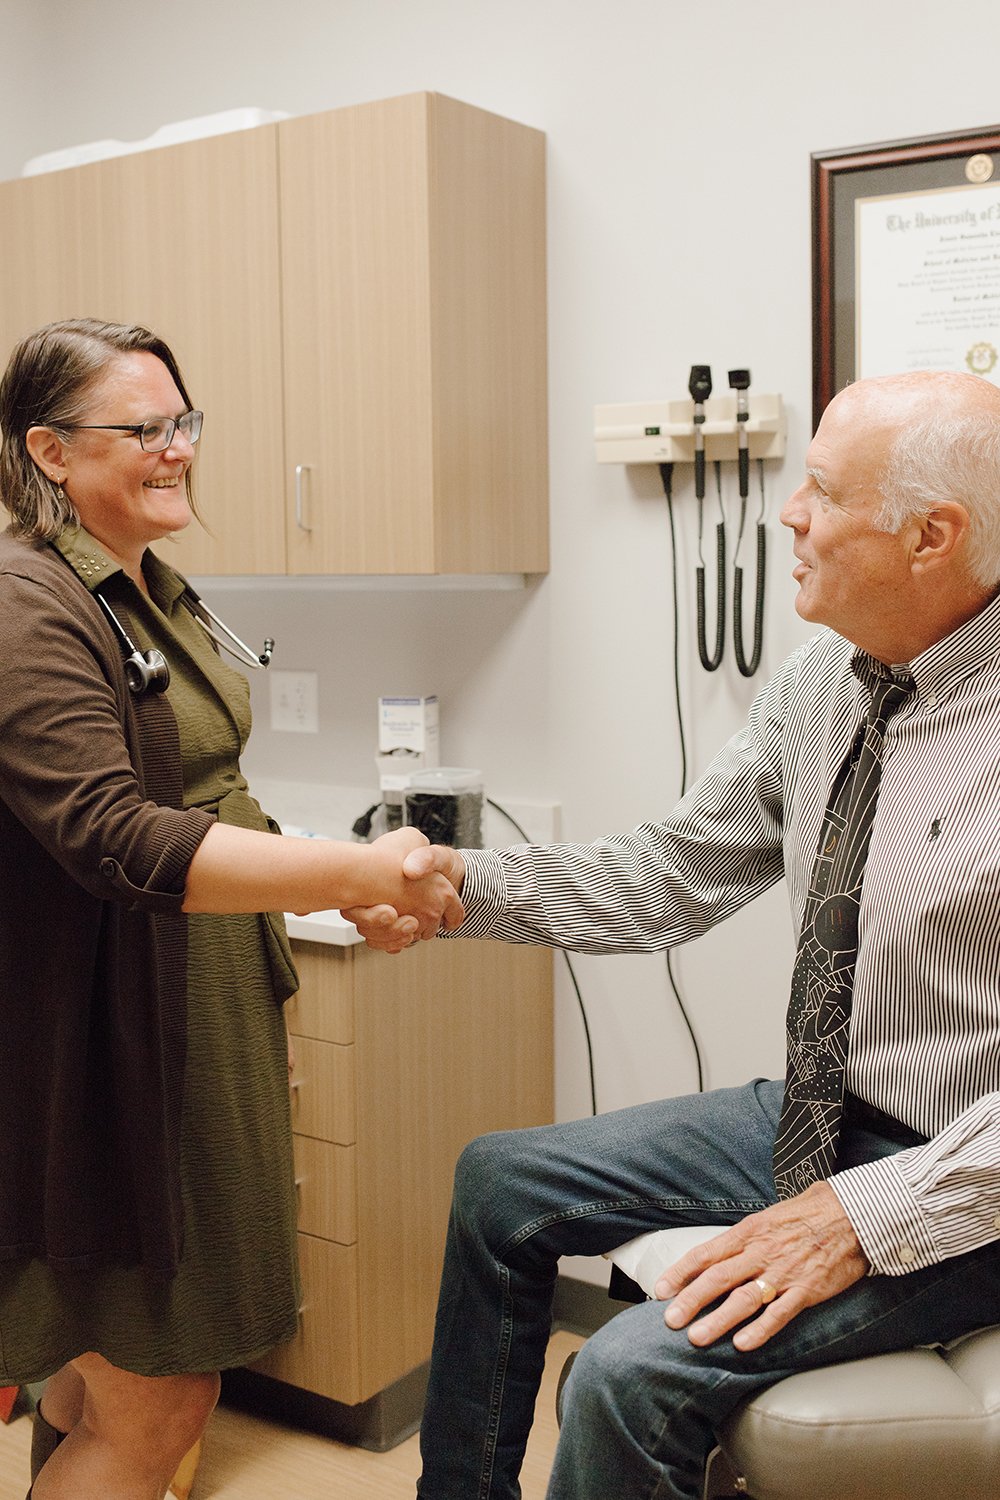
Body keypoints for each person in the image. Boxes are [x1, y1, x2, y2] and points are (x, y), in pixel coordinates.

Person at [345, 369, 1000, 1500]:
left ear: (929, 537)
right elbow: (668, 876)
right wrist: (460, 884)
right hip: (826, 1114)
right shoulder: (822, 682)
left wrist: (856, 1212)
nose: (787, 515)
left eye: (820, 491)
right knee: (501, 1184)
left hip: (964, 1173)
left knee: (621, 1374)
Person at [0, 317, 463, 1500]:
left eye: (183, 423)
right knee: (161, 1396)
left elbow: (214, 790)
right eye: (141, 429)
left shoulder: (149, 589)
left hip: (200, 1013)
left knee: (101, 1362)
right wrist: (353, 874)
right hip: (112, 1050)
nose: (176, 451)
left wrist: (329, 879)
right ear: (50, 453)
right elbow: (111, 834)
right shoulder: (27, 603)